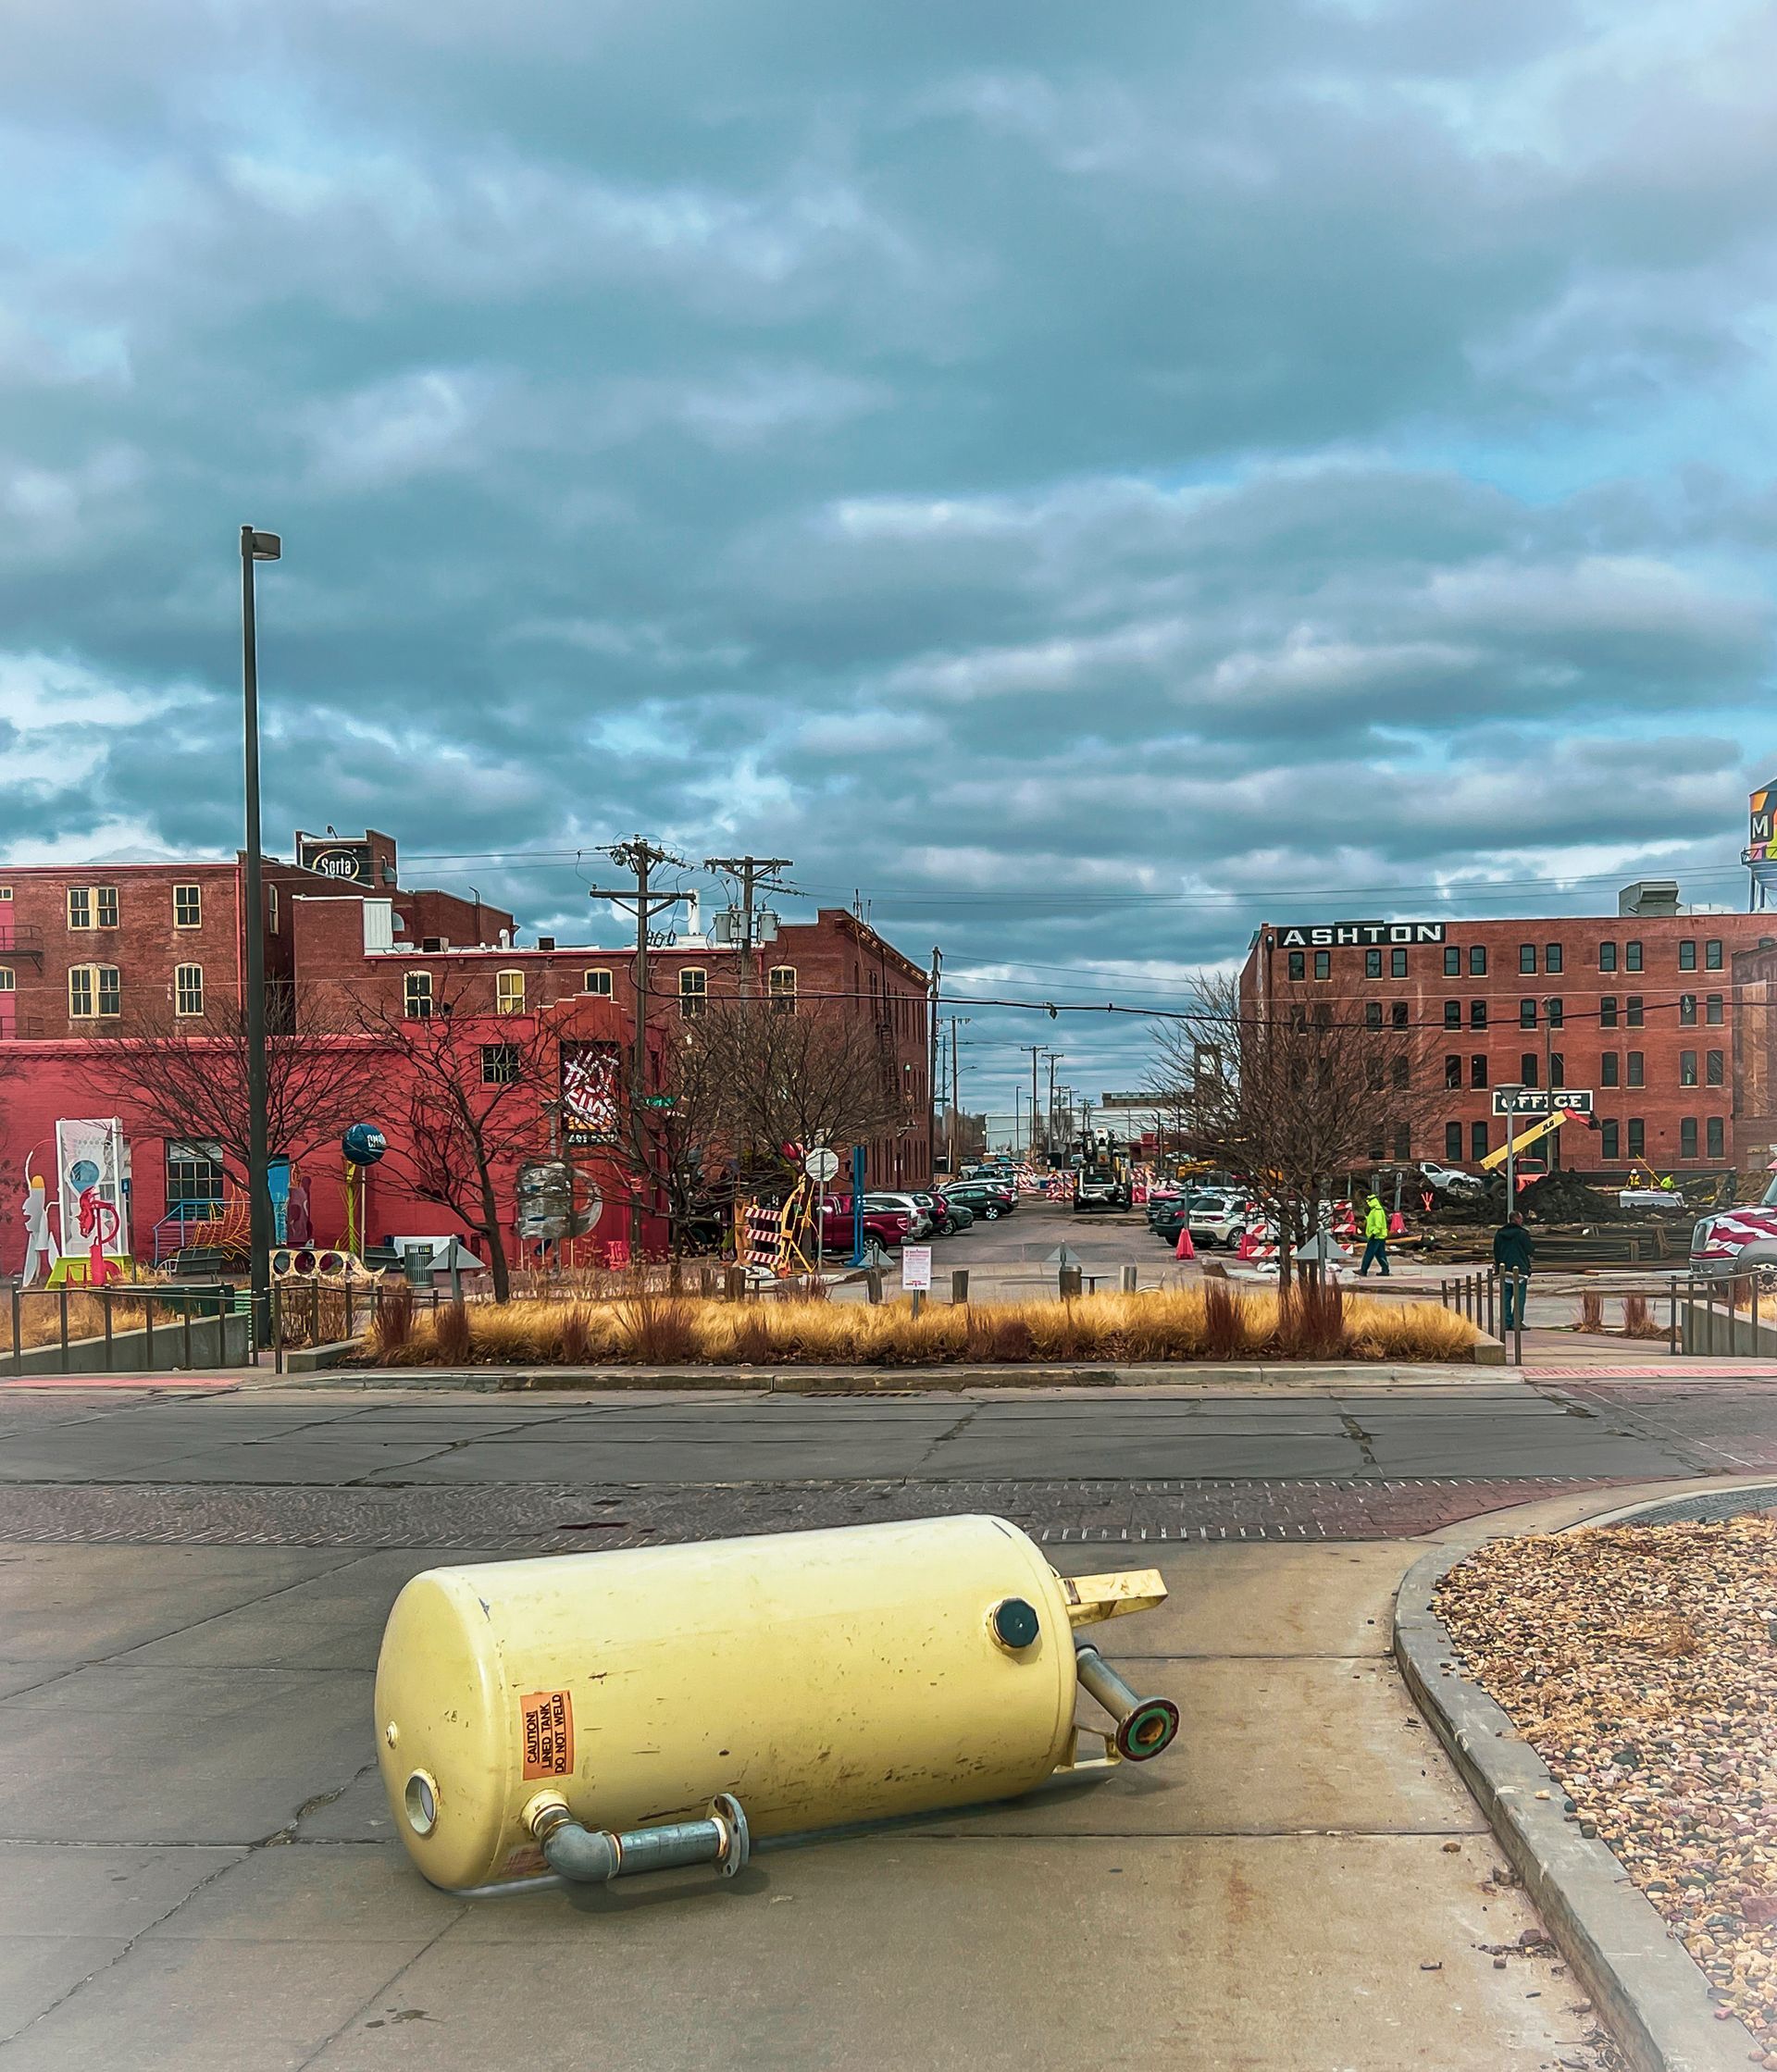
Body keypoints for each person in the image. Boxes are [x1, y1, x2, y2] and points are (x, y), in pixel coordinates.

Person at [1493, 1210, 1535, 1331]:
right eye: (1521, 1219)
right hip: (1520, 1269)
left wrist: (1498, 1266)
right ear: (1517, 1220)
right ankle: (1517, 1321)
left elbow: (1496, 1251)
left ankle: (1506, 1322)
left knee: (1506, 1296)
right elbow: (1529, 1250)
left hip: (1504, 1269)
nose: (1522, 1221)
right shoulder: (1522, 1234)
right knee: (1519, 1297)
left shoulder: (1500, 1234)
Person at [1360, 1193, 1390, 1276]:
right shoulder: (1376, 1210)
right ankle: (1385, 1270)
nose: (1367, 1203)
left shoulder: (1376, 1211)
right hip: (1379, 1236)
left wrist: (1373, 1234)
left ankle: (1363, 1270)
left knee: (1369, 1254)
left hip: (1376, 1236)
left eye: (1368, 1202)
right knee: (1380, 1254)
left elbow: (1378, 1225)